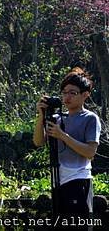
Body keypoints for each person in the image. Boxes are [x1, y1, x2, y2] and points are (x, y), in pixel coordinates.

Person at [34, 67, 101, 216]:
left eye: (73, 93)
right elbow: (38, 142)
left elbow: (90, 152)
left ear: (85, 95)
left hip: (79, 180)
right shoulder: (58, 118)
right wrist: (41, 116)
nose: (67, 97)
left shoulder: (90, 118)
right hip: (58, 181)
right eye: (64, 93)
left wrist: (62, 135)